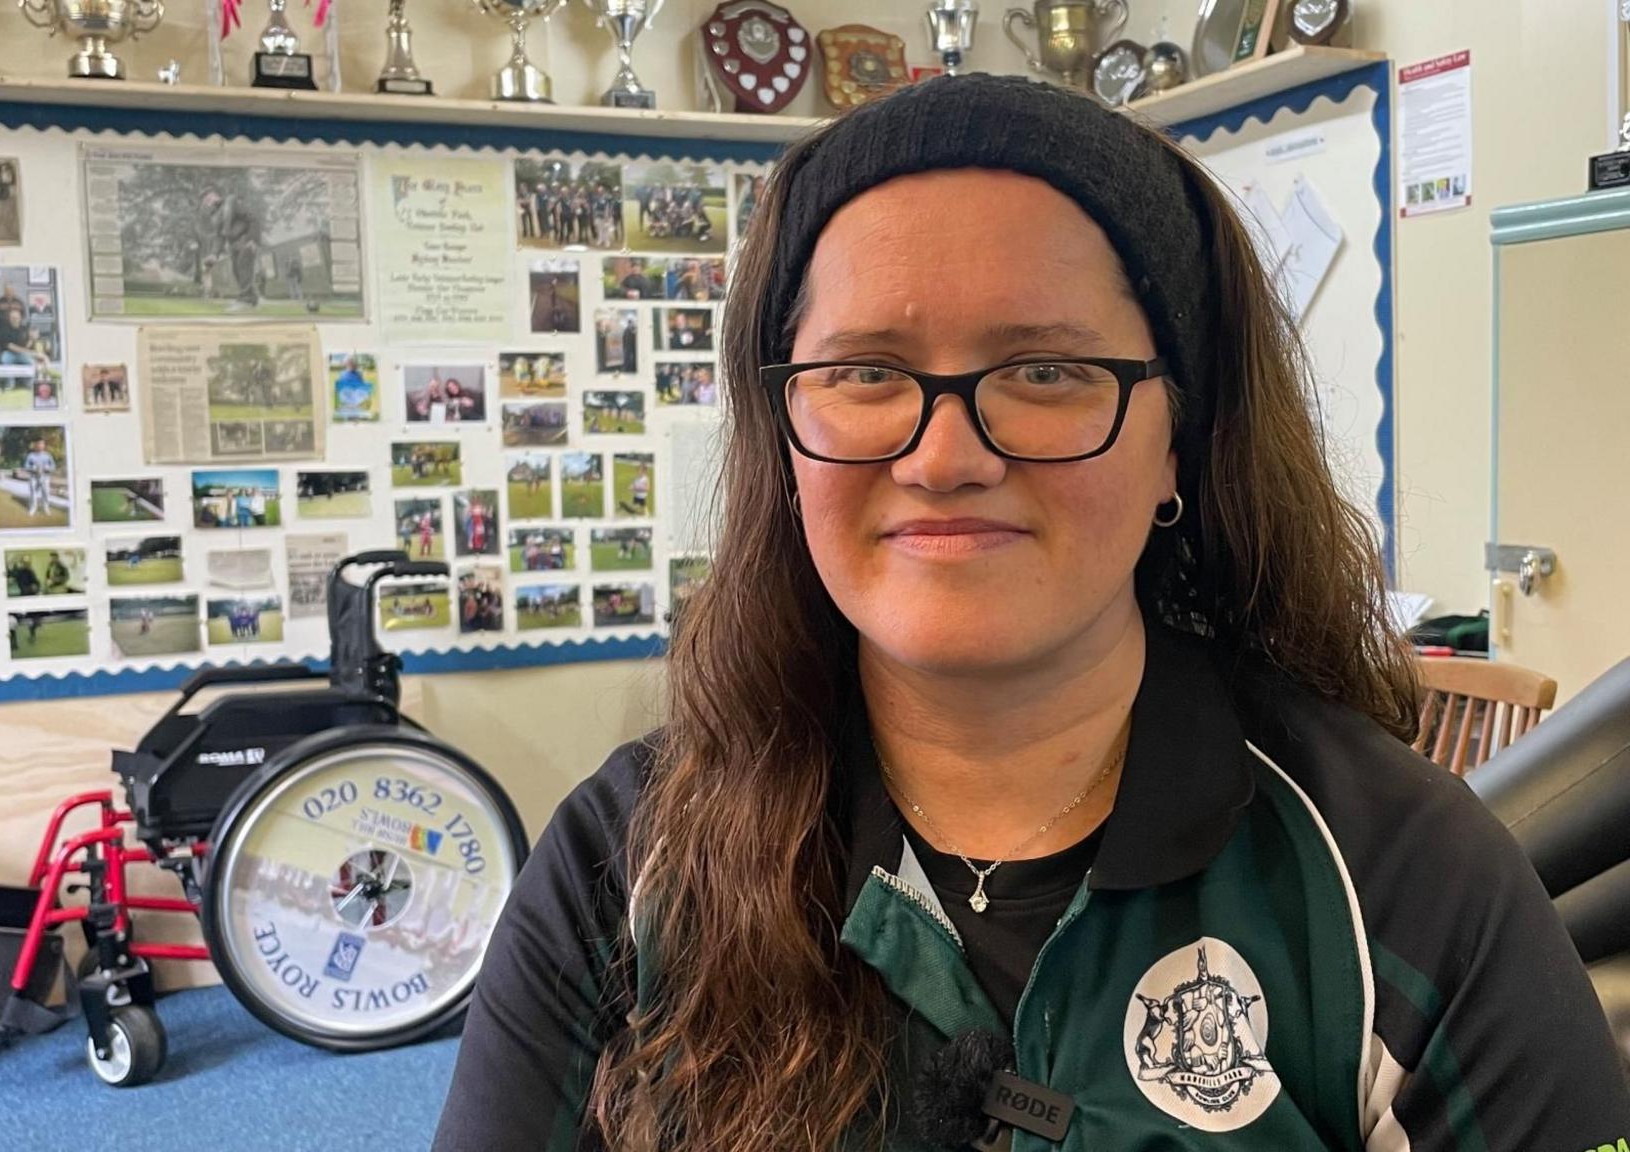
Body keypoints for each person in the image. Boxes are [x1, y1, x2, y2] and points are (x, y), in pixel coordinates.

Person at [434, 76, 1630, 1152]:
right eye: (862, 372)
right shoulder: (623, 864)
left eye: (1044, 371)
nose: (943, 454)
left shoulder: (1400, 879)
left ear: (1180, 440)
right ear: (782, 437)